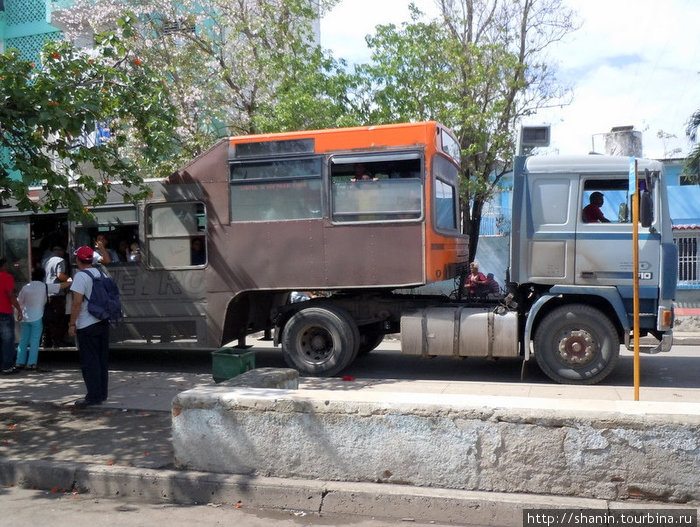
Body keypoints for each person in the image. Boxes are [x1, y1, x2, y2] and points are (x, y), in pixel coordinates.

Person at [68, 246, 111, 408]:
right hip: (102, 322)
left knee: (89, 362)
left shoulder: (80, 276)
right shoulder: (101, 273)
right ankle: (102, 394)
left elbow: (77, 303)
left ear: (78, 260)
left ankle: (93, 396)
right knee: (101, 361)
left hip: (87, 324)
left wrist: (72, 323)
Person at [16, 268, 71, 371]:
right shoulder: (44, 286)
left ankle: (19, 362)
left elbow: (19, 302)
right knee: (35, 340)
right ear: (43, 276)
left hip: (25, 317)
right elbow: (60, 286)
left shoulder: (25, 287)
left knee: (23, 340)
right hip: (37, 317)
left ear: (31, 276)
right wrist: (70, 280)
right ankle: (31, 363)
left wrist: (19, 313)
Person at [43, 246, 70, 347]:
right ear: (59, 251)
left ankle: (47, 341)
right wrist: (69, 279)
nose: (63, 254)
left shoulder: (45, 260)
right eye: (63, 251)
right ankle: (57, 341)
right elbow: (60, 275)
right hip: (57, 293)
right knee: (59, 319)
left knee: (48, 318)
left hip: (46, 292)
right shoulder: (60, 260)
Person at [0, 258, 23, 374]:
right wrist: (19, 309)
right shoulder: (7, 277)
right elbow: (11, 295)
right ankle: (7, 366)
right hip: (4, 312)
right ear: (3, 266)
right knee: (7, 341)